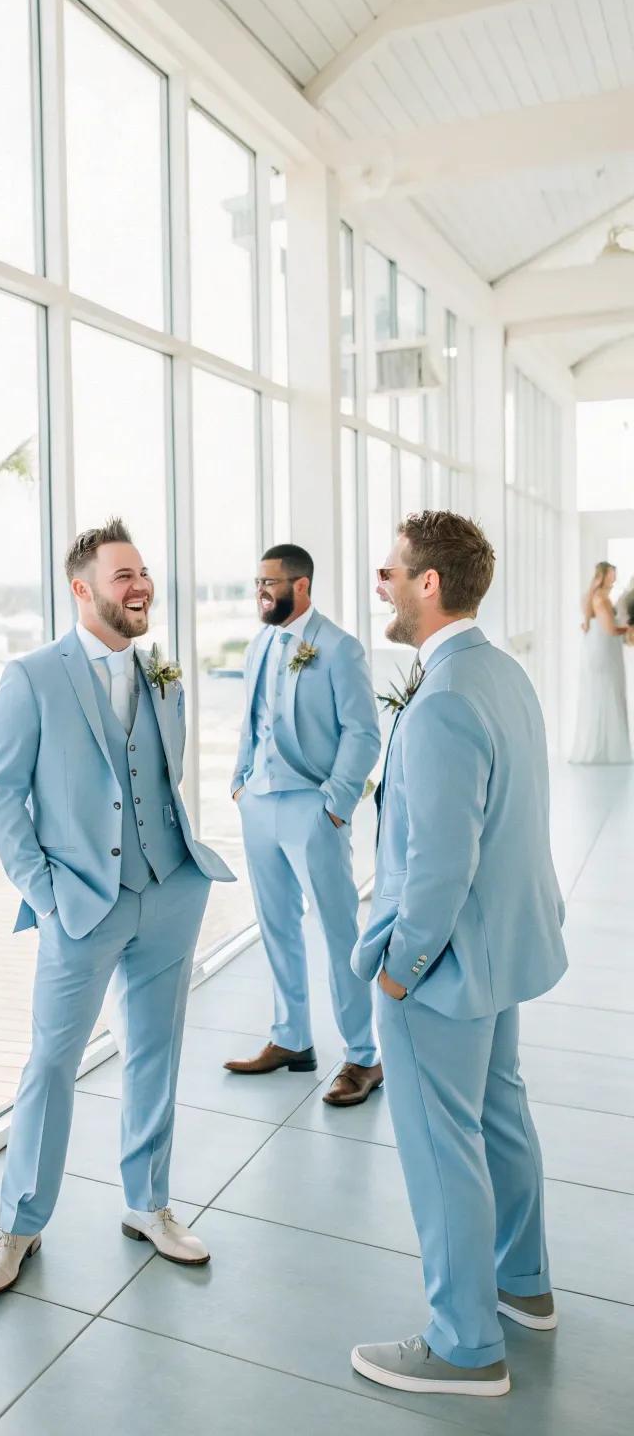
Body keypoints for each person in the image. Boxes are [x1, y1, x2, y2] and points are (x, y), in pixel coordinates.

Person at [0, 518, 234, 1295]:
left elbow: (160, 778)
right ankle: (18, 1225)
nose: (141, 585)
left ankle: (149, 1204)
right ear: (82, 589)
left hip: (170, 890)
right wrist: (45, 893)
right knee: (51, 1064)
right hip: (80, 906)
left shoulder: (162, 673)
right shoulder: (31, 677)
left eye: (143, 572)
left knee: (156, 1053)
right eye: (124, 575)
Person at [351, 510, 566, 1399]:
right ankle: (524, 1284)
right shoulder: (502, 674)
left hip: (445, 966)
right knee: (501, 1119)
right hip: (508, 947)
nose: (383, 583)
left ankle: (465, 1344)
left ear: (429, 584)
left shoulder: (440, 700)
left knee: (444, 1149)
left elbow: (440, 863)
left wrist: (399, 967)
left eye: (393, 571)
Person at [224, 545, 382, 1106]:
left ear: (303, 584)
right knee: (276, 926)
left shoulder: (340, 648)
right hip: (259, 805)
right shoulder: (260, 643)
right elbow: (252, 721)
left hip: (313, 809)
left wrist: (335, 805)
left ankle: (364, 1055)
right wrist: (239, 784)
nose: (262, 592)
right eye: (257, 582)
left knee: (339, 932)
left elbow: (364, 732)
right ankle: (291, 1039)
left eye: (271, 583)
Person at [570, 561, 632, 765]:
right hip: (604, 652)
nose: (614, 577)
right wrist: (629, 629)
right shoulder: (601, 599)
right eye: (611, 573)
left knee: (603, 694)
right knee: (610, 693)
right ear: (602, 576)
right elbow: (610, 629)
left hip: (600, 650)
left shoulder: (594, 597)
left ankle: (603, 746)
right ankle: (610, 751)